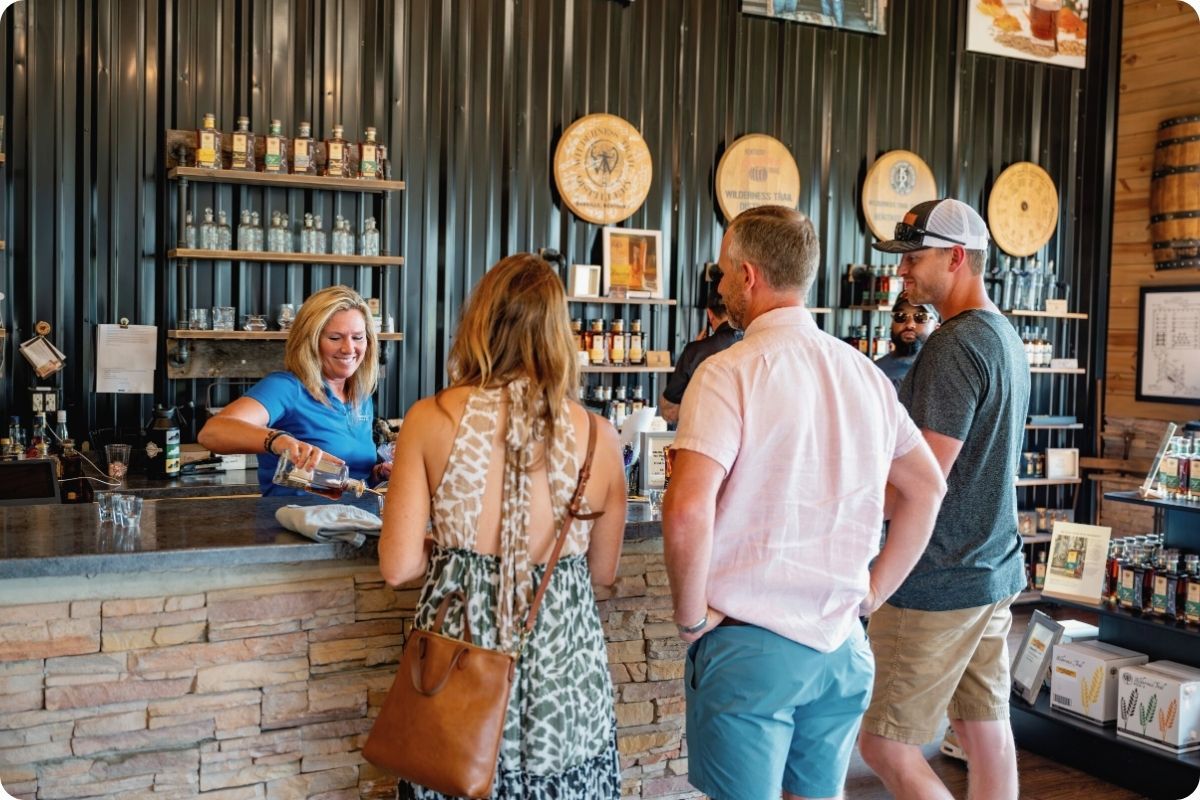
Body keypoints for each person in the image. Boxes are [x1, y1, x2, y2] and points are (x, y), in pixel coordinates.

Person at [661, 205, 946, 800]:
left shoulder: (727, 373)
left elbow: (687, 510)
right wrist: (874, 590)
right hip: (841, 647)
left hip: (750, 647)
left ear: (747, 275)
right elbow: (927, 486)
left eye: (720, 272)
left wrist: (690, 619)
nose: (717, 285)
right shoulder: (864, 374)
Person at [377, 253, 627, 799]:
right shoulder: (599, 438)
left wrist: (447, 549)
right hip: (566, 681)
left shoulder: (431, 417)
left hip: (457, 680)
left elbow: (397, 568)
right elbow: (603, 571)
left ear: (480, 321)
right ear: (559, 332)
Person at [858, 198, 1031, 800]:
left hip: (936, 579)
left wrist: (844, 510)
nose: (902, 271)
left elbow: (921, 480)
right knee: (984, 732)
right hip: (991, 567)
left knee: (884, 744)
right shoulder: (1003, 335)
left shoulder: (952, 347)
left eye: (913, 256)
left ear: (956, 258)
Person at [197, 285, 390, 496]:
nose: (349, 348)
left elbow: (348, 479)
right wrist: (279, 441)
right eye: (335, 338)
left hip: (352, 523)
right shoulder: (287, 388)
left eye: (358, 337)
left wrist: (378, 473)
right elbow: (212, 432)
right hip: (295, 525)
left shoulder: (359, 396)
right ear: (310, 341)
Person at [658, 288, 743, 424]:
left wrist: (694, 350)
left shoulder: (695, 351)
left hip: (702, 435)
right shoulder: (753, 344)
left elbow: (670, 412)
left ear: (710, 314)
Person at [873, 290, 938, 389]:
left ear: (936, 328)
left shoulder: (945, 372)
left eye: (920, 317)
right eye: (900, 316)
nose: (909, 325)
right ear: (892, 324)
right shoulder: (874, 371)